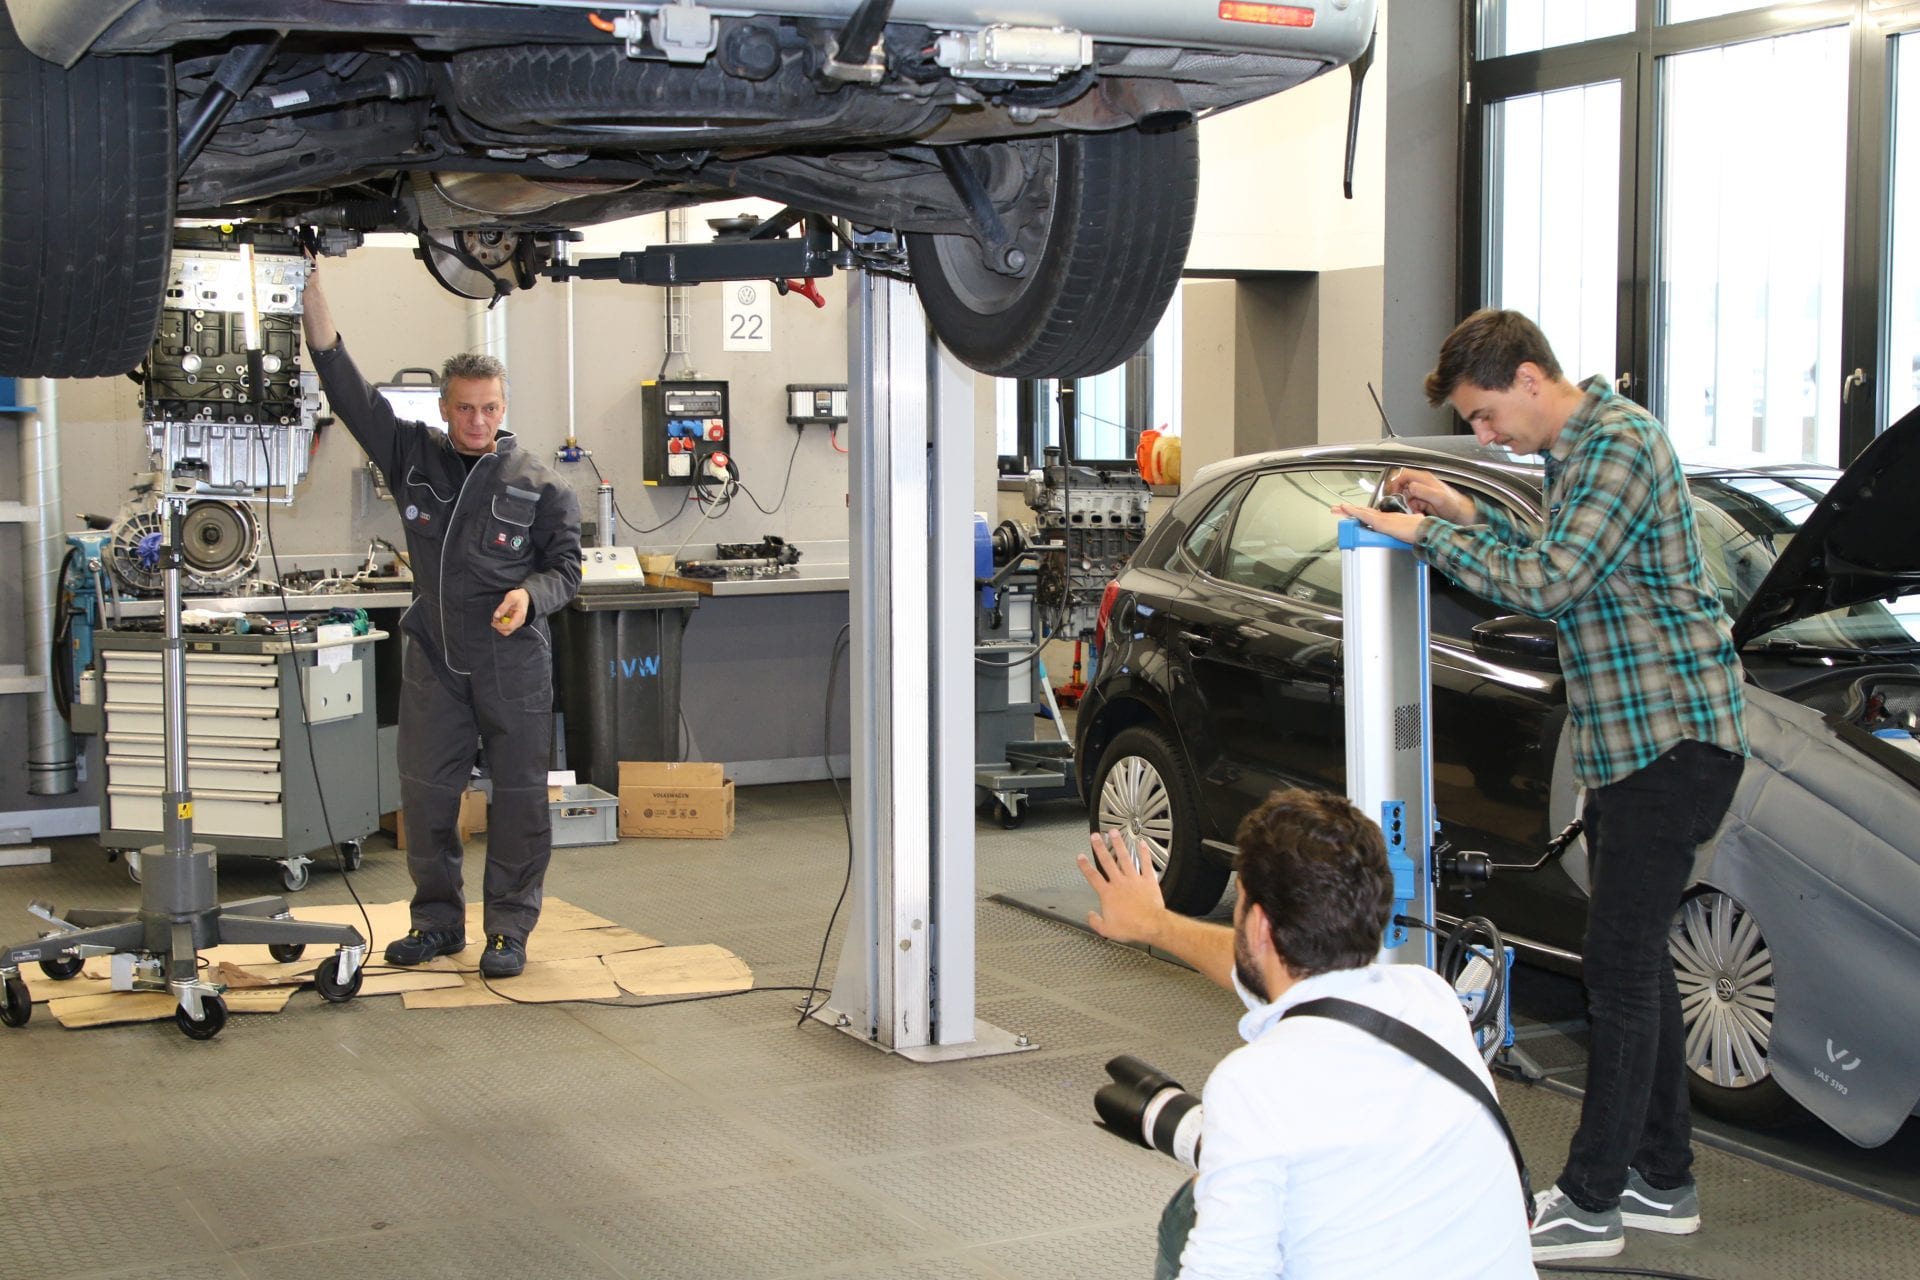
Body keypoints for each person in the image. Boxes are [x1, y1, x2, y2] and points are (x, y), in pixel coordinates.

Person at [1333, 308, 1748, 1260]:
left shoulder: (1620, 443)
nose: (1484, 436)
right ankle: (1663, 1178)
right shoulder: (1579, 453)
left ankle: (1593, 1199)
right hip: (1632, 745)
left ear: (1528, 378)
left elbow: (1555, 580)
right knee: (1637, 965)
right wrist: (1456, 507)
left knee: (1620, 972)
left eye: (1483, 417)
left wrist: (1411, 533)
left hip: (1670, 742)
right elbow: (1570, 559)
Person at [1078, 789, 1536, 1280]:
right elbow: (1271, 973)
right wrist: (1156, 924)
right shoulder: (1430, 1000)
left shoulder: (1254, 1082)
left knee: (1186, 1215)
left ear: (1256, 925)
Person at [300, 265, 582, 979]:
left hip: (511, 660)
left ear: (504, 405)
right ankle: (437, 924)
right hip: (434, 657)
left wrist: (532, 598)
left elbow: (567, 571)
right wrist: (312, 296)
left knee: (519, 801)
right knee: (425, 795)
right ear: (444, 407)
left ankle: (508, 930)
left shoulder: (539, 482)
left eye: (489, 408)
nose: (477, 422)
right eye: (464, 410)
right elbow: (346, 389)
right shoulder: (410, 455)